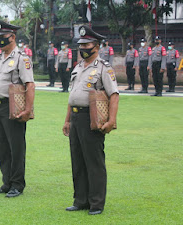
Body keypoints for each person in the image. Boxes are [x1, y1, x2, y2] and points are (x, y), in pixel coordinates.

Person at [62, 25, 119, 215]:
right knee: (77, 160)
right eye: (81, 44)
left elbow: (114, 95)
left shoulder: (103, 68)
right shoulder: (78, 67)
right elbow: (73, 95)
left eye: (87, 45)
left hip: (92, 118)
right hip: (76, 117)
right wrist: (67, 120)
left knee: (93, 162)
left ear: (96, 46)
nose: (83, 48)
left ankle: (96, 203)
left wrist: (111, 120)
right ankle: (80, 200)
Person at [0, 20, 35, 198]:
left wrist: (28, 110)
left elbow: (29, 85)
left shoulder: (21, 59)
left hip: (14, 107)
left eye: (4, 37)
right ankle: (6, 182)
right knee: (2, 147)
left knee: (16, 147)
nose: (0, 40)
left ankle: (17, 184)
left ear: (13, 37)